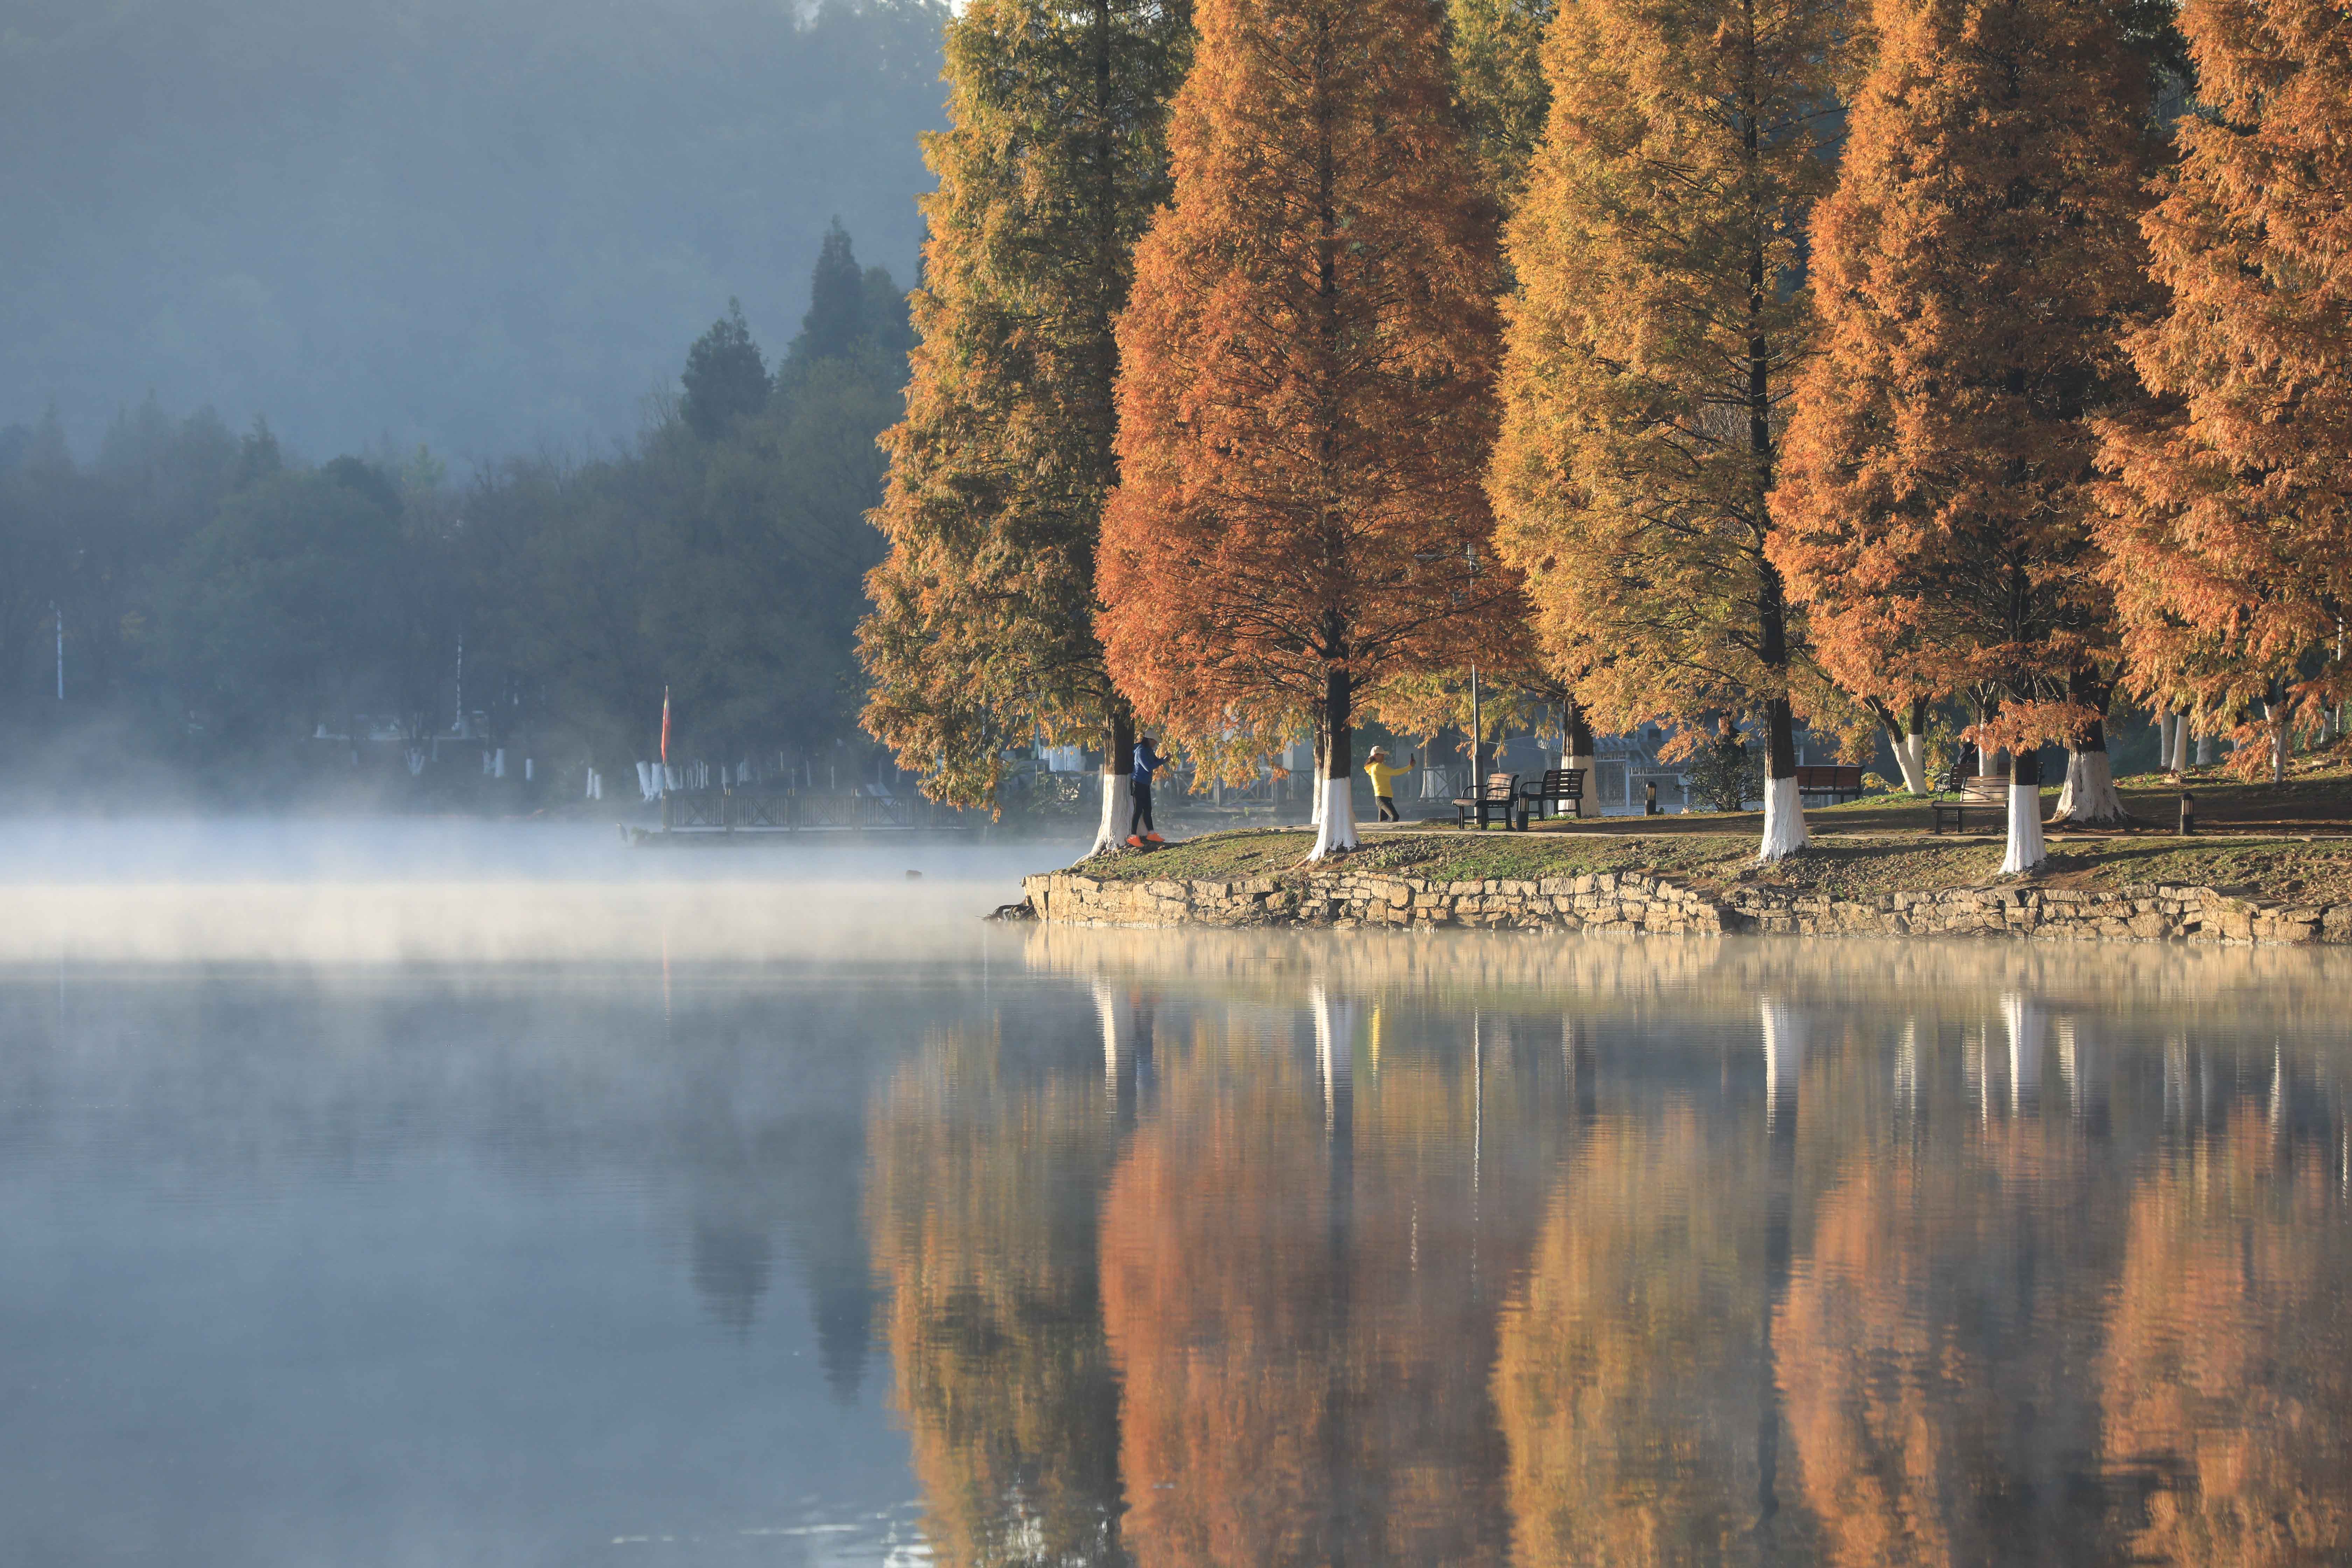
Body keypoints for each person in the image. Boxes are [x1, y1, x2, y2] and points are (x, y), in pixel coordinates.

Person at [1128, 735, 1168, 846]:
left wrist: (1164, 759)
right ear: (1149, 740)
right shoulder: (1141, 751)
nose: (1155, 744)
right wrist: (1163, 762)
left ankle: (1151, 833)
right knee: (1138, 810)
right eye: (1154, 741)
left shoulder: (1149, 750)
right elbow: (1148, 767)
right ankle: (1133, 836)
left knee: (1148, 809)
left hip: (1145, 783)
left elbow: (1156, 761)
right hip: (1138, 783)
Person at [1364, 746, 1419, 824]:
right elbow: (1395, 772)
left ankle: (1383, 834)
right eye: (1382, 755)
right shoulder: (1378, 767)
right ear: (1375, 756)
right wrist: (1410, 767)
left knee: (1383, 822)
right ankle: (1393, 831)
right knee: (1395, 816)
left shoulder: (1375, 767)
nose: (1383, 757)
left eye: (1384, 755)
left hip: (1384, 797)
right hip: (1382, 798)